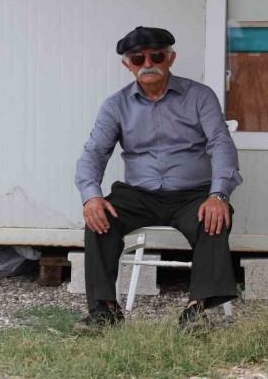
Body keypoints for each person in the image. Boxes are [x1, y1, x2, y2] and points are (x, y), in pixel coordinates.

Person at [74, 26, 243, 332]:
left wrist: (218, 195)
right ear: (128, 64)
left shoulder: (199, 96)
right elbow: (93, 153)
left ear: (170, 58)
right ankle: (104, 311)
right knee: (99, 218)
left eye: (156, 56)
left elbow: (221, 145)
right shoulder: (116, 105)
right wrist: (91, 196)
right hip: (138, 194)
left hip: (192, 193)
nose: (147, 63)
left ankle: (195, 312)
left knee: (215, 217)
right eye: (138, 58)